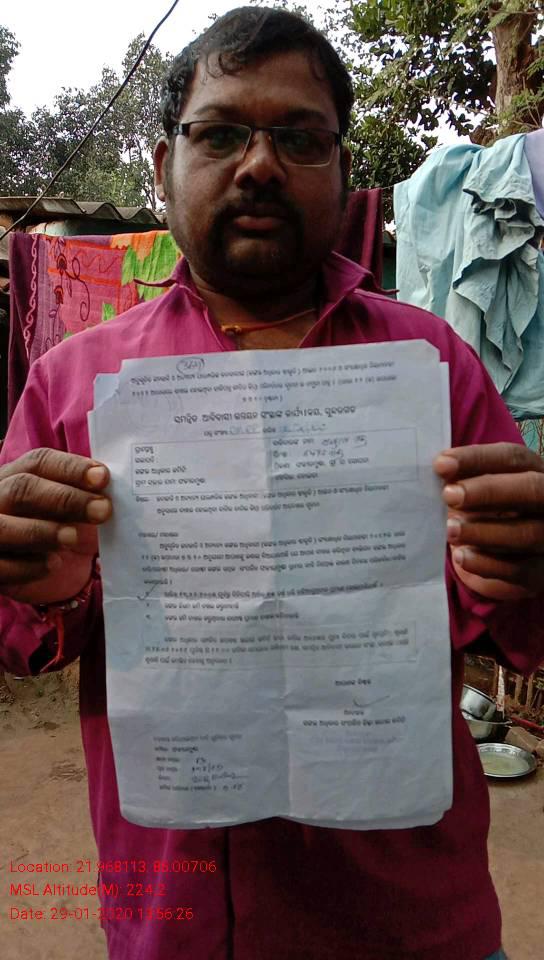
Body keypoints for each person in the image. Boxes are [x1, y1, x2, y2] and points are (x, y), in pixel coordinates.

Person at [0, 7, 543, 959]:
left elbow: (513, 625)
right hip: (174, 923)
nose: (259, 166)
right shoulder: (72, 382)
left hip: (413, 924)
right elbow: (15, 638)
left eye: (300, 138)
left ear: (342, 169)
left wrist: (526, 568)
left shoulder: (431, 365)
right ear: (164, 165)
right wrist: (44, 594)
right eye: (219, 134)